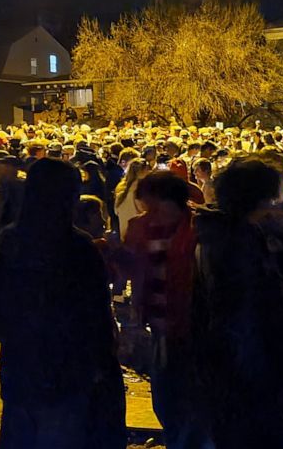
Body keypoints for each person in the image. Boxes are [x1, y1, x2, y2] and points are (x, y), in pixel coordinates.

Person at [0, 159, 126, 448]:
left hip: (21, 365)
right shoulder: (78, 248)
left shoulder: (11, 240)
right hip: (65, 370)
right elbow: (95, 315)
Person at [193, 158, 283, 448]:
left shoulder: (220, 233)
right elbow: (240, 304)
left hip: (235, 362)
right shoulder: (236, 241)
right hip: (248, 364)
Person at [125, 171, 199, 449]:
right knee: (164, 393)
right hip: (158, 322)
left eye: (153, 205)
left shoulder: (198, 228)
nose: (148, 212)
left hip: (193, 322)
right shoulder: (139, 227)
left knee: (190, 392)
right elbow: (131, 268)